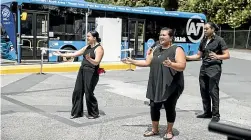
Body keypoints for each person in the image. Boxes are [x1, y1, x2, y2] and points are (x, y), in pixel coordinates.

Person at [122, 27, 186, 139]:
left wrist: (171, 64)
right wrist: (132, 61)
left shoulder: (177, 49)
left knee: (169, 107)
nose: (161, 37)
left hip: (171, 84)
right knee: (154, 106)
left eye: (164, 35)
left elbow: (182, 66)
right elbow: (147, 62)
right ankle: (155, 130)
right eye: (160, 35)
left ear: (170, 37)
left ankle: (169, 131)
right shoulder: (156, 49)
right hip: (156, 83)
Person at [53, 30, 104, 119]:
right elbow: (75, 54)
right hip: (82, 70)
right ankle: (77, 112)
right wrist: (61, 54)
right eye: (87, 36)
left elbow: (96, 63)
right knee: (77, 91)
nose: (87, 38)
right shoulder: (87, 47)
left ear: (94, 38)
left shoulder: (99, 48)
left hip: (91, 72)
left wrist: (89, 59)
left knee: (89, 93)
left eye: (89, 36)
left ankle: (94, 113)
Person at [186, 22, 230, 122]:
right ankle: (207, 112)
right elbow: (198, 56)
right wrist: (186, 57)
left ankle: (216, 115)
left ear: (213, 29)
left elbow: (227, 55)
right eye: (204, 29)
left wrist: (218, 56)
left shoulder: (219, 40)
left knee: (213, 91)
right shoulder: (203, 40)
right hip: (204, 68)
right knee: (203, 90)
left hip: (214, 69)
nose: (204, 31)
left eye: (206, 29)